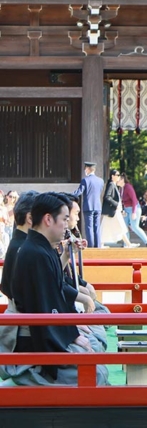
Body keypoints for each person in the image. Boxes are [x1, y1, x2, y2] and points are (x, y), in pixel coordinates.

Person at [9, 192, 106, 386]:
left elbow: (53, 297)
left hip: (48, 331)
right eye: (64, 219)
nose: (67, 224)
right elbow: (45, 310)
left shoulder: (42, 249)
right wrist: (71, 334)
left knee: (95, 347)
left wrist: (71, 330)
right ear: (48, 219)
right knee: (96, 372)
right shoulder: (34, 253)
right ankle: (32, 377)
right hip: (34, 342)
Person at [72, 162, 104, 248]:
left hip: (88, 206)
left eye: (85, 168)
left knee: (89, 227)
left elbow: (79, 192)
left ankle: (90, 246)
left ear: (88, 169)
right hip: (98, 206)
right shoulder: (101, 181)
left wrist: (70, 196)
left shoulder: (85, 180)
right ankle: (98, 246)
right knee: (97, 227)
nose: (85, 170)